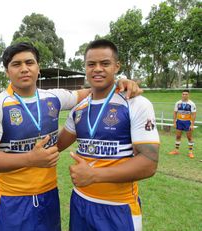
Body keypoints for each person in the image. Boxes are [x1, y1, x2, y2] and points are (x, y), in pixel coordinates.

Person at [0, 42, 141, 231]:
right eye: (16, 64)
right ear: (7, 71)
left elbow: (96, 90)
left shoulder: (54, 97)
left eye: (30, 62)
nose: (24, 69)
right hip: (13, 201)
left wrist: (120, 83)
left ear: (38, 68)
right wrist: (30, 159)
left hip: (50, 197)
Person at [57, 39, 160, 231]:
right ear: (85, 67)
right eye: (91, 64)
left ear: (116, 66)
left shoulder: (136, 103)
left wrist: (94, 175)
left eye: (105, 63)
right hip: (80, 202)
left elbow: (149, 163)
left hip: (118, 208)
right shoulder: (78, 109)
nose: (97, 69)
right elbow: (57, 145)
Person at [168, 90, 196, 158]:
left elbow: (193, 114)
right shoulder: (178, 103)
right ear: (181, 95)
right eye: (183, 94)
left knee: (189, 137)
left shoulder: (191, 104)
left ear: (188, 95)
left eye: (186, 94)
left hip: (187, 122)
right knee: (178, 136)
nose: (184, 95)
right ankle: (176, 151)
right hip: (179, 121)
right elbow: (175, 112)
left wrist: (192, 124)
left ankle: (190, 152)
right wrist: (174, 122)